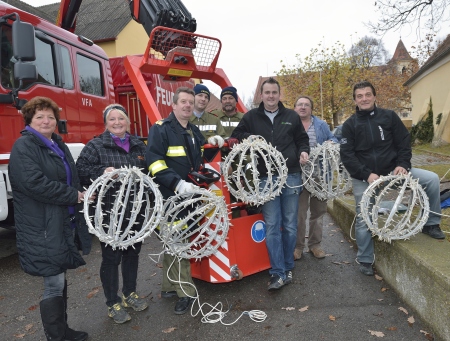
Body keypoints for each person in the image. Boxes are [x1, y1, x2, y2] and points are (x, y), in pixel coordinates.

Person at [340, 81, 445, 276]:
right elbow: (347, 156)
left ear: (374, 96)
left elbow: (404, 142)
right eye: (360, 96)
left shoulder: (389, 117)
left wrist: (403, 165)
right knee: (364, 216)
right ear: (355, 100)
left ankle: (431, 224)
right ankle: (365, 259)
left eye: (368, 94)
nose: (364, 98)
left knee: (431, 179)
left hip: (393, 172)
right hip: (366, 178)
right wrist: (366, 174)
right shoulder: (349, 125)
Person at [8, 96, 89, 341]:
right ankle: (56, 336)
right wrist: (73, 195)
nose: (46, 121)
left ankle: (63, 331)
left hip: (59, 222)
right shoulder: (24, 146)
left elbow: (70, 176)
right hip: (41, 226)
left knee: (59, 277)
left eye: (50, 117)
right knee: (53, 281)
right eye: (40, 116)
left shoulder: (57, 144)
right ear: (30, 121)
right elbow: (33, 184)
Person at [231, 77, 310, 291]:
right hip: (266, 178)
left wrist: (303, 151)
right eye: (267, 93)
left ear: (279, 94)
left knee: (291, 225)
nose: (271, 96)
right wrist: (252, 137)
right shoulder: (251, 117)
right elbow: (236, 136)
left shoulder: (291, 116)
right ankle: (277, 272)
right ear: (261, 95)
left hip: (292, 176)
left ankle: (287, 265)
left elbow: (302, 140)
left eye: (274, 92)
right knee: (273, 225)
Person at [76, 104, 148, 323]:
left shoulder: (138, 145)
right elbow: (80, 169)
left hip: (135, 209)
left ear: (127, 121)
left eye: (121, 118)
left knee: (132, 254)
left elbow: (147, 172)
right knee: (111, 258)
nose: (117, 123)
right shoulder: (96, 145)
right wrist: (101, 172)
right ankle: (112, 302)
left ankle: (129, 294)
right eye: (112, 119)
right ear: (105, 123)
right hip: (109, 212)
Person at [146, 87, 203, 314]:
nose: (188, 105)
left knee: (174, 242)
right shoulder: (161, 129)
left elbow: (198, 158)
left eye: (191, 102)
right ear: (174, 105)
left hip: (189, 197)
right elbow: (154, 162)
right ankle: (185, 292)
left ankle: (169, 286)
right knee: (179, 243)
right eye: (184, 102)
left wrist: (215, 143)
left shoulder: (193, 130)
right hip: (170, 196)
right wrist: (176, 183)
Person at [294, 95, 338, 260]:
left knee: (318, 213)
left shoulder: (320, 125)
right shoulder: (291, 124)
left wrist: (332, 143)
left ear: (311, 108)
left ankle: (315, 245)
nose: (303, 107)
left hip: (320, 175)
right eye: (300, 104)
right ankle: (297, 247)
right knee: (299, 213)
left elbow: (333, 138)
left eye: (306, 104)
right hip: (299, 177)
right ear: (295, 108)